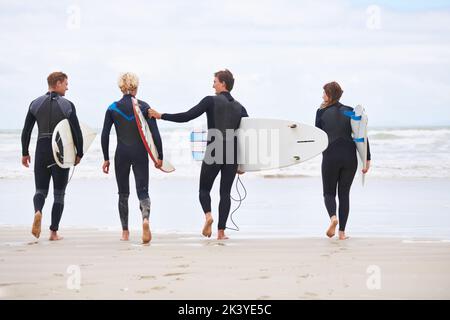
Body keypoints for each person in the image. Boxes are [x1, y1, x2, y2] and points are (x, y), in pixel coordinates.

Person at [149, 69, 248, 240]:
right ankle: (221, 233)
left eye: (215, 81)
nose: (213, 85)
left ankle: (208, 216)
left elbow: (187, 116)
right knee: (225, 193)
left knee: (204, 189)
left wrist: (161, 116)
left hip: (214, 148)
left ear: (223, 83)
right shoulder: (240, 107)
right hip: (232, 152)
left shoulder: (210, 101)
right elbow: (247, 135)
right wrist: (244, 163)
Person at [101, 72, 163, 244]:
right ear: (136, 86)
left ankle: (125, 232)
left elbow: (105, 134)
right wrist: (160, 156)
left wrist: (106, 158)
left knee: (123, 193)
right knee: (143, 191)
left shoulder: (112, 108)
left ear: (121, 87)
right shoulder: (144, 107)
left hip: (121, 154)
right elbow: (154, 133)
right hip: (140, 153)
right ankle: (145, 220)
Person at [21, 71, 83, 241]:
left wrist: (25, 152)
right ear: (57, 83)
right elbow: (76, 131)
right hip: (60, 151)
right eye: (65, 84)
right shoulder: (67, 105)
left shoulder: (35, 104)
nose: (67, 87)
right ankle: (53, 233)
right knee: (59, 194)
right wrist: (79, 152)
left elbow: (26, 131)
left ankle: (38, 211)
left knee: (40, 190)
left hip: (41, 149)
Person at [315, 81, 371, 240]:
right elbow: (361, 134)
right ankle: (342, 233)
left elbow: (318, 136)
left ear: (330, 95)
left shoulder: (321, 112)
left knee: (328, 193)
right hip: (349, 156)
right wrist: (367, 159)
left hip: (331, 155)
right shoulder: (350, 111)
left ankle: (333, 218)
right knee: (344, 194)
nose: (322, 96)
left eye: (324, 93)